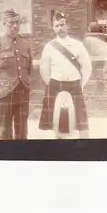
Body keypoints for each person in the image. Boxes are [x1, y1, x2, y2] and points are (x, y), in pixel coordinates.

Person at [38, 11, 92, 139]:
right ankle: (58, 139)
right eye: (56, 25)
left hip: (74, 84)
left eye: (62, 25)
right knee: (56, 117)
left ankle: (84, 143)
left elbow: (87, 66)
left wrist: (80, 84)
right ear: (53, 28)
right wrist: (50, 82)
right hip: (55, 84)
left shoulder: (78, 45)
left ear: (68, 26)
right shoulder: (49, 46)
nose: (60, 28)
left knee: (80, 119)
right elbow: (44, 67)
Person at [0, 9, 33, 140]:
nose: (15, 26)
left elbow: (29, 68)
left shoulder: (26, 44)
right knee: (4, 132)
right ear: (4, 24)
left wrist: (26, 85)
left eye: (17, 22)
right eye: (11, 23)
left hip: (22, 92)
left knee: (22, 132)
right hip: (4, 93)